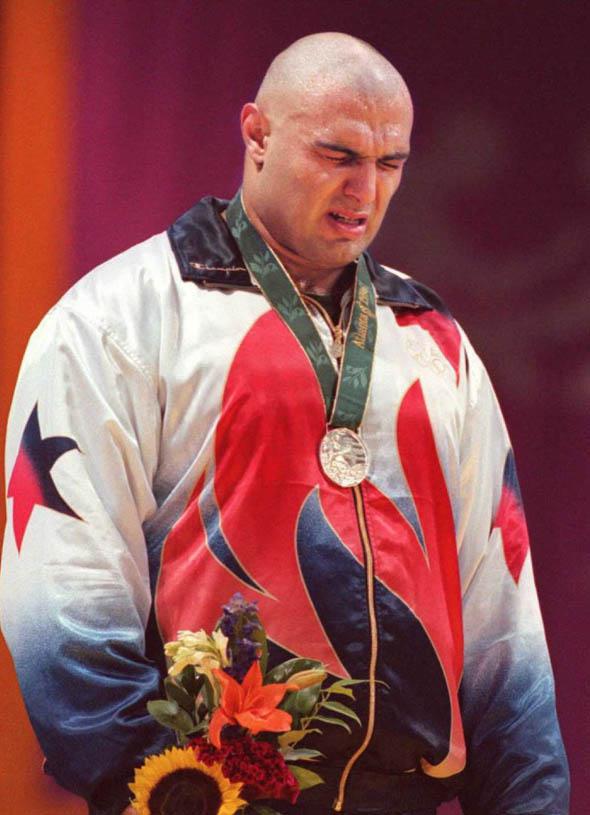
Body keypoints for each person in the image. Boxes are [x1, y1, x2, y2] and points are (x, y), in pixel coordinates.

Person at [0, 32, 569, 815]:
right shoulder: (116, 318)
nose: (364, 190)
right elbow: (64, 587)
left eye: (391, 164)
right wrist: (166, 788)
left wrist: (532, 798)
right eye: (338, 154)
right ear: (256, 133)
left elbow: (503, 614)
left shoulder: (433, 341)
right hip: (200, 792)